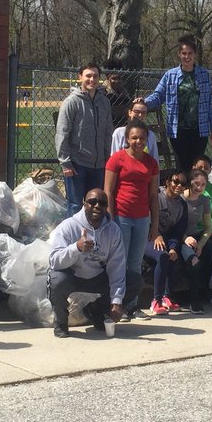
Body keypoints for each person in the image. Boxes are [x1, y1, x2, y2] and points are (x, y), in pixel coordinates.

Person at [46, 189, 128, 338]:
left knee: (134, 280)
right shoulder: (68, 226)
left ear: (106, 207)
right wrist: (76, 247)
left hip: (97, 277)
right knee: (57, 280)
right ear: (84, 204)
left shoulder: (113, 230)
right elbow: (54, 261)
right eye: (92, 202)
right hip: (72, 276)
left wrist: (117, 301)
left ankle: (96, 312)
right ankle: (61, 324)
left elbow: (117, 267)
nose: (97, 206)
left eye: (102, 203)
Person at [104, 118, 159, 319]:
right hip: (121, 217)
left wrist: (155, 226)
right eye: (134, 137)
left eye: (142, 138)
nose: (138, 141)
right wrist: (109, 218)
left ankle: (132, 305)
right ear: (127, 138)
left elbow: (154, 195)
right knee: (121, 262)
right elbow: (108, 191)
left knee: (135, 264)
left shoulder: (151, 163)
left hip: (142, 218)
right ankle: (117, 303)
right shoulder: (117, 159)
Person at [140, 33, 212, 174]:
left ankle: (195, 195)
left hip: (199, 130)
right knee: (181, 168)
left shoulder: (204, 75)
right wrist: (144, 103)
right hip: (178, 131)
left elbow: (209, 104)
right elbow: (158, 96)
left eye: (190, 53)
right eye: (184, 53)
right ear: (179, 54)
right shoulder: (170, 75)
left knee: (196, 168)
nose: (187, 57)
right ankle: (182, 195)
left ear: (195, 55)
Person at [55, 62, 114, 215]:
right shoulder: (71, 102)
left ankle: (92, 236)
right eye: (88, 76)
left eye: (95, 76)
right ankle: (73, 238)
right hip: (76, 164)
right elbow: (62, 133)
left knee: (95, 204)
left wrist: (108, 157)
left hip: (99, 164)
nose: (91, 80)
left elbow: (108, 132)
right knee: (75, 205)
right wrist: (65, 162)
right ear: (80, 77)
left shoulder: (104, 103)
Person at [182, 168, 212, 311]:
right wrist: (185, 239)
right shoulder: (180, 199)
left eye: (203, 185)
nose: (199, 187)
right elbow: (173, 227)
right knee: (195, 262)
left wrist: (201, 245)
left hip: (199, 237)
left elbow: (208, 228)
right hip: (182, 237)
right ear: (190, 182)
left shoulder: (204, 200)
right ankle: (195, 300)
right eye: (196, 183)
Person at [145, 169, 190, 315]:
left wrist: (173, 248)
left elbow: (177, 232)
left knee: (173, 257)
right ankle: (156, 300)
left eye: (183, 183)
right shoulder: (156, 197)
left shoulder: (182, 205)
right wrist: (155, 234)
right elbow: (146, 220)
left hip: (165, 241)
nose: (179, 186)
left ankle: (167, 297)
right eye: (176, 182)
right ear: (167, 182)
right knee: (162, 257)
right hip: (147, 238)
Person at [103, 58, 133, 127]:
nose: (117, 81)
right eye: (114, 78)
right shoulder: (103, 92)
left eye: (119, 78)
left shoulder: (124, 92)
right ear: (108, 78)